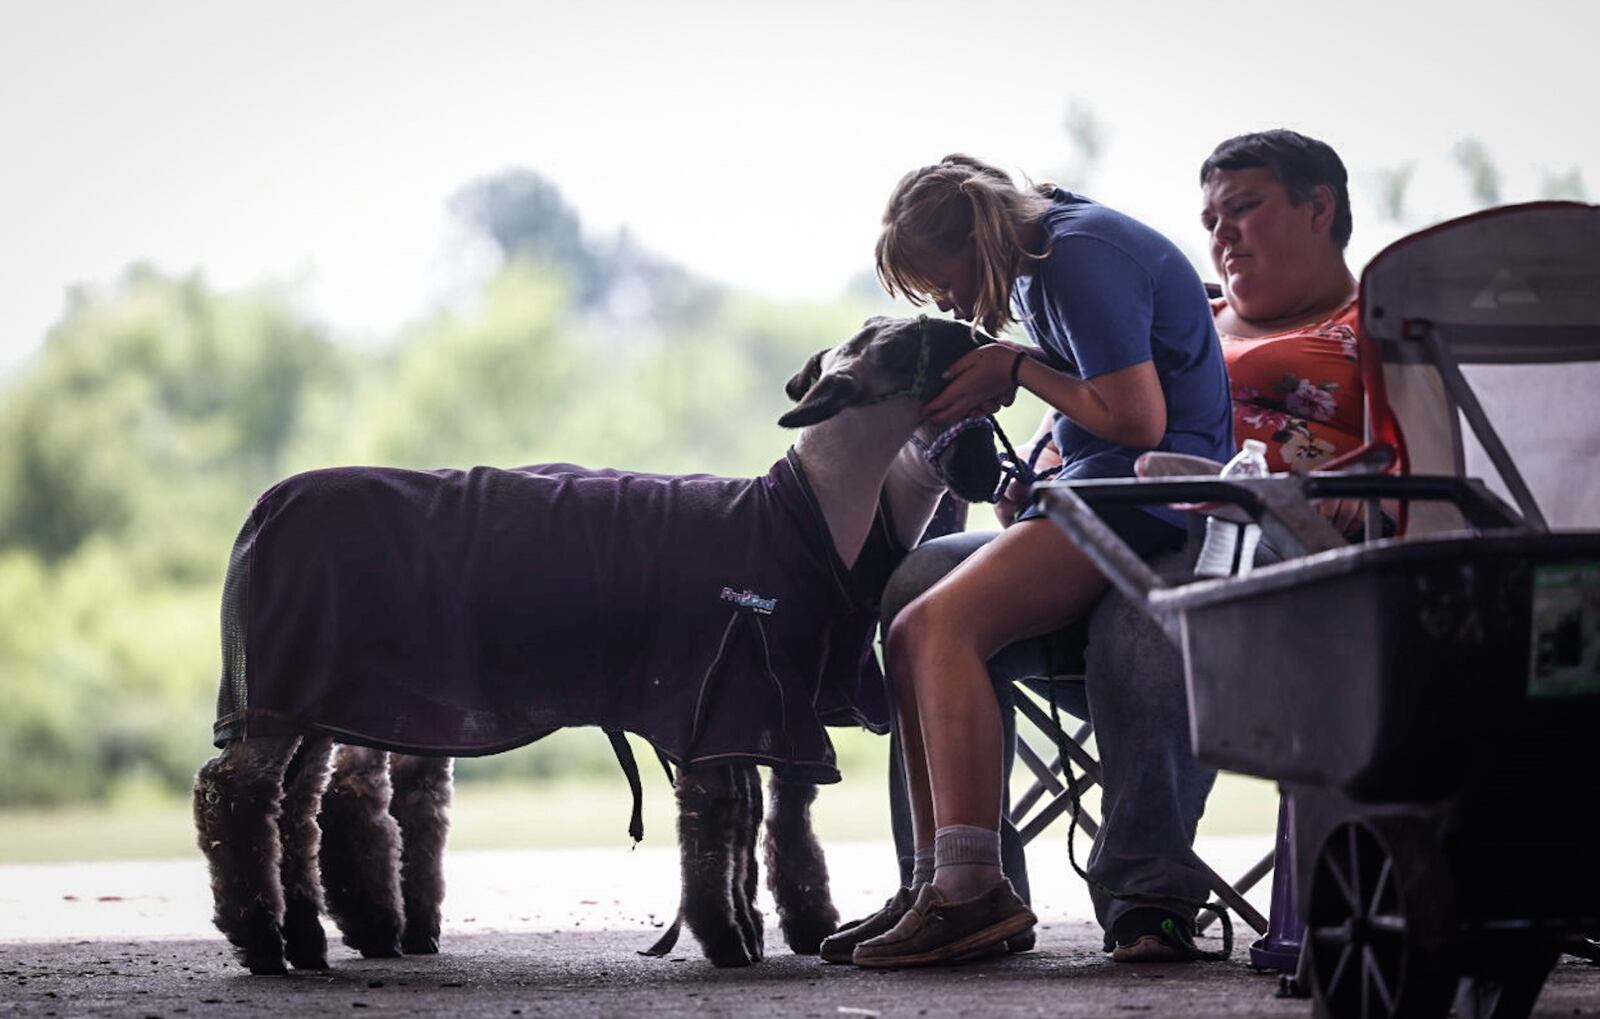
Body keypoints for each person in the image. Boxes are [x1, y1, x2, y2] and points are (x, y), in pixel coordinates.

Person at [836, 130, 1366, 969]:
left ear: (980, 236)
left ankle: (1030, 897)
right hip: (1100, 495)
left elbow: (1138, 421)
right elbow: (1094, 399)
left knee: (953, 627)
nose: (957, 306)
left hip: (1160, 502)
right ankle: (938, 877)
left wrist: (1014, 368)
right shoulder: (1052, 256)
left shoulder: (1078, 256)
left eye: (950, 282)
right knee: (912, 601)